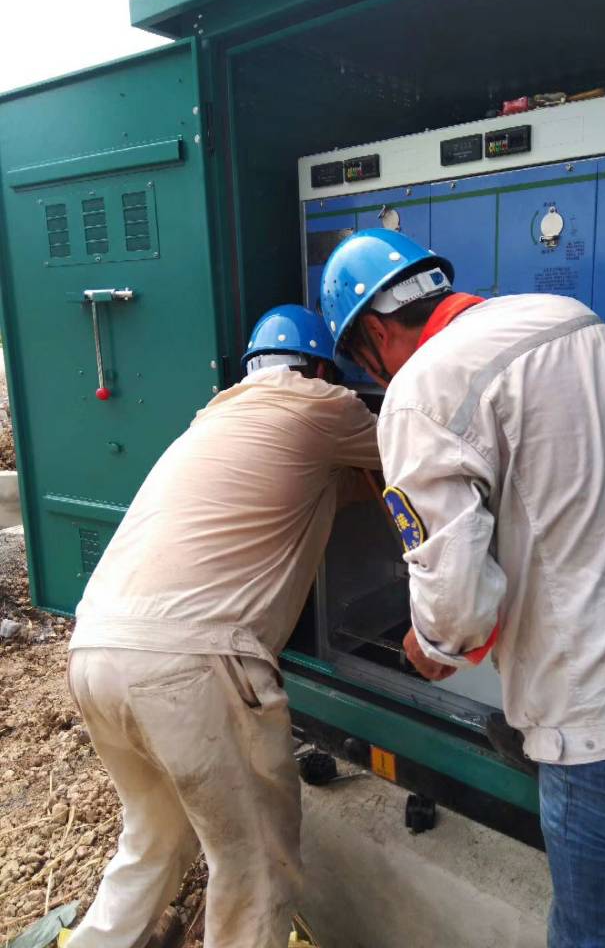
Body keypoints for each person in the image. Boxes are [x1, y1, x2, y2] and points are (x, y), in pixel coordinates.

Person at [320, 228, 605, 948]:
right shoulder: (570, 318)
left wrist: (433, 643)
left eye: (361, 362)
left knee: (593, 937)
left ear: (374, 333)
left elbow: (456, 607)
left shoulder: (419, 391)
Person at [66, 304, 380, 948]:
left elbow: (312, 486)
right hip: (188, 668)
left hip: (96, 649)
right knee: (256, 866)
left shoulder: (217, 418)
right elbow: (421, 448)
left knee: (154, 836)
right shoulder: (322, 404)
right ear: (322, 368)